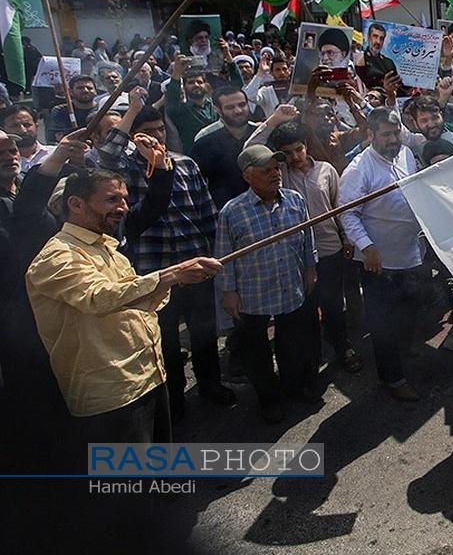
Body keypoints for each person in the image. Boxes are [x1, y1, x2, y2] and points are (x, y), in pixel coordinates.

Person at [25, 169, 222, 453]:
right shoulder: (57, 257)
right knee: (127, 478)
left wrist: (173, 279)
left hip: (148, 378)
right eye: (112, 199)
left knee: (155, 469)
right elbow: (98, 298)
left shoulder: (108, 249)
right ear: (76, 204)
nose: (124, 207)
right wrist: (171, 274)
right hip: (111, 396)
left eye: (125, 199)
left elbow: (137, 302)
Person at [97, 89, 235, 421]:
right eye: (148, 132)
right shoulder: (124, 170)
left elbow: (207, 213)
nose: (157, 137)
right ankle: (173, 397)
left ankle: (210, 384)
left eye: (160, 130)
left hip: (194, 262)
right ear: (134, 137)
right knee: (165, 340)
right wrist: (131, 112)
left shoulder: (185, 163)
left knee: (204, 332)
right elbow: (106, 155)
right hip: (154, 271)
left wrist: (214, 256)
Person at [248, 107, 363, 373]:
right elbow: (250, 150)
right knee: (304, 310)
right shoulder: (279, 174)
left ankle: (342, 347)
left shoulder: (326, 171)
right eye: (287, 153)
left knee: (333, 305)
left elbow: (339, 208)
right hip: (294, 255)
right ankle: (312, 358)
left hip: (329, 249)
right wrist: (273, 121)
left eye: (298, 149)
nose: (294, 157)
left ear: (306, 146)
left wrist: (347, 240)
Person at [214, 145, 320, 423]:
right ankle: (269, 399)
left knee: (293, 343)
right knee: (256, 352)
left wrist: (311, 268)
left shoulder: (295, 200)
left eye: (276, 169)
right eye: (266, 171)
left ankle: (294, 387)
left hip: (291, 286)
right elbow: (224, 256)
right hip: (253, 293)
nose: (275, 174)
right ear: (248, 177)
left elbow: (307, 237)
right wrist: (229, 292)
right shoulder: (232, 212)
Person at [339, 107, 427, 401]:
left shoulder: (405, 154)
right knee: (383, 323)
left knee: (409, 307)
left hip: (410, 253)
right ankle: (393, 379)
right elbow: (348, 214)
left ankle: (404, 351)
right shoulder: (358, 170)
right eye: (386, 134)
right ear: (371, 134)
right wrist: (367, 248)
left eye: (396, 133)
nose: (393, 140)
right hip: (378, 262)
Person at [191, 85, 258, 210]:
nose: (238, 111)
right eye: (230, 107)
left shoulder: (261, 134)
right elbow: (197, 184)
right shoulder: (204, 142)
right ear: (217, 109)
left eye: (242, 105)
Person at [165, 58, 219, 155]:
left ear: (206, 85)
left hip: (218, 153)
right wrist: (177, 72)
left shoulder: (215, 106)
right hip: (195, 156)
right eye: (191, 82)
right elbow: (171, 99)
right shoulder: (181, 110)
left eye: (199, 82)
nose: (196, 85)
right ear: (185, 87)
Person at [0, 104, 52, 173]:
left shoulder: (56, 154)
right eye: (15, 126)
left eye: (27, 125)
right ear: (3, 129)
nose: (23, 130)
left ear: (36, 126)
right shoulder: (4, 162)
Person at [47, 74, 98, 141]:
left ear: (95, 91)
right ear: (71, 92)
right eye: (80, 88)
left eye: (89, 88)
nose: (85, 90)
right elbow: (58, 136)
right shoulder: (60, 111)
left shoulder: (103, 110)